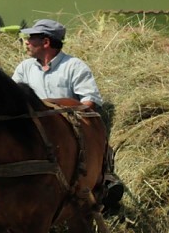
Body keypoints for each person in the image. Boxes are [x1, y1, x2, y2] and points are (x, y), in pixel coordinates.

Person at [13, 19, 123, 214]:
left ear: (46, 42)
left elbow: (90, 102)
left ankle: (103, 180)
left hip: (68, 133)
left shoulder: (74, 66)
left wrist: (54, 107)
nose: (27, 42)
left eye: (31, 38)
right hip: (33, 131)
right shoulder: (24, 68)